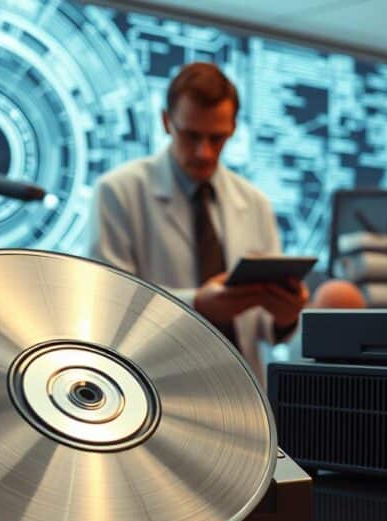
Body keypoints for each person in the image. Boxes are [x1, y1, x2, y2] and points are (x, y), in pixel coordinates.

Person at [89, 62, 308, 382]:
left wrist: (285, 316)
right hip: (156, 381)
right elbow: (109, 305)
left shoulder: (255, 203)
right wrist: (196, 305)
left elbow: (264, 327)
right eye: (191, 135)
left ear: (233, 128)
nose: (204, 152)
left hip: (241, 384)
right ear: (166, 121)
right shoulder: (118, 192)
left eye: (217, 138)